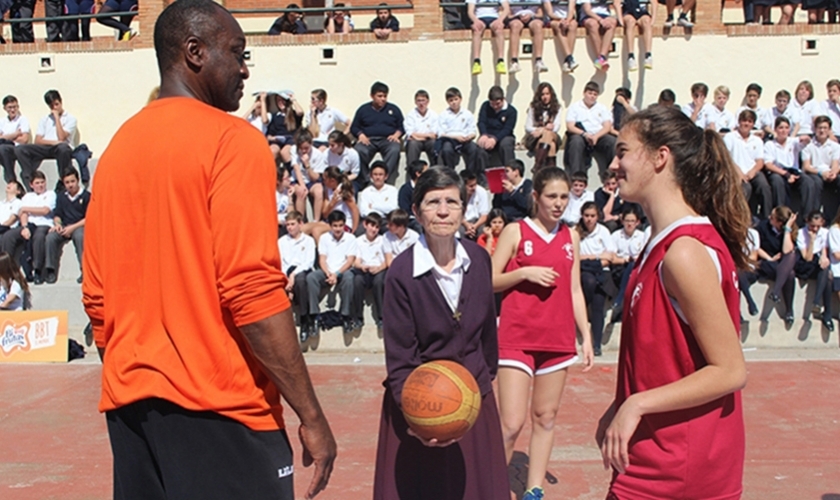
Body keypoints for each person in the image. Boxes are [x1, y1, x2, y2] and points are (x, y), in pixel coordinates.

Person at [81, 2, 336, 498]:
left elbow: (97, 300)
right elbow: (252, 291)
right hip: (223, 408)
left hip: (132, 412)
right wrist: (312, 415)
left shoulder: (116, 150)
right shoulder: (233, 141)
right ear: (194, 52)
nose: (245, 69)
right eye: (238, 53)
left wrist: (137, 367)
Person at [598, 105, 747, 499]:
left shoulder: (684, 252)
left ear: (660, 157)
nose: (614, 164)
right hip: (657, 458)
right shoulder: (662, 244)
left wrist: (635, 405)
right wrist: (621, 404)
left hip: (679, 467)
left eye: (623, 151)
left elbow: (729, 370)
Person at [373, 167, 509, 500]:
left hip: (472, 398)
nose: (444, 211)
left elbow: (487, 340)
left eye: (452, 201)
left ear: (464, 209)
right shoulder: (402, 273)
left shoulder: (478, 259)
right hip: (420, 404)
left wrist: (476, 389)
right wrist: (419, 418)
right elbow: (401, 356)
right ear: (417, 212)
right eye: (433, 202)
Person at [492, 167, 594, 500]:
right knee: (510, 423)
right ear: (535, 196)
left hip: (557, 339)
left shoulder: (571, 237)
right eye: (552, 196)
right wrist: (524, 273)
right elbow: (489, 281)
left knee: (546, 417)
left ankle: (533, 490)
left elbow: (575, 289)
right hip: (517, 337)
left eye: (564, 197)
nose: (559, 203)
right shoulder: (514, 231)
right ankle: (491, 488)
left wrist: (586, 335)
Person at [15, 90, 78, 190]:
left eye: (56, 104)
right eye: (52, 106)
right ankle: (30, 180)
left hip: (61, 149)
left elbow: (62, 137)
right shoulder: (44, 119)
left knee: (63, 148)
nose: (55, 108)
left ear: (61, 102)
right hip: (47, 147)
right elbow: (38, 140)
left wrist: (57, 118)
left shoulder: (70, 119)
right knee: (20, 149)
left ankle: (62, 181)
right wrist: (54, 142)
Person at [576, 201, 616, 355]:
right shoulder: (577, 232)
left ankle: (597, 344)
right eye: (586, 215)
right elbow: (575, 257)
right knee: (588, 281)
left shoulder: (604, 231)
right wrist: (596, 257)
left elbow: (610, 257)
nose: (589, 219)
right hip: (585, 271)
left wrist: (591, 260)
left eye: (592, 216)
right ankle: (584, 303)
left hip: (601, 271)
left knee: (598, 304)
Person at [351, 81, 405, 186]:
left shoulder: (393, 109)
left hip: (387, 140)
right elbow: (354, 127)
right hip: (369, 140)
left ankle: (385, 178)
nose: (383, 98)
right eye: (380, 96)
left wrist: (396, 135)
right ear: (372, 96)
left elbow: (402, 126)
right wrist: (361, 135)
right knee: (358, 150)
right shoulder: (363, 110)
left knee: (394, 149)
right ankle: (366, 180)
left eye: (385, 96)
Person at [763, 116, 818, 218]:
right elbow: (768, 165)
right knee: (777, 181)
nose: (784, 130)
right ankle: (781, 216)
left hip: (794, 171)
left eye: (786, 127)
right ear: (775, 129)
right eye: (781, 128)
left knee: (809, 182)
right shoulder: (770, 144)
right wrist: (786, 174)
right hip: (778, 172)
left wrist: (806, 138)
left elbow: (805, 141)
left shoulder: (793, 141)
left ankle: (808, 216)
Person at [724, 109, 772, 218]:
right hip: (735, 171)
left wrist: (753, 171)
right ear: (739, 122)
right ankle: (740, 218)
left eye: (750, 121)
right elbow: (726, 158)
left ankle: (766, 218)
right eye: (744, 121)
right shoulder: (730, 137)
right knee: (746, 188)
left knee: (764, 187)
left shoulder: (757, 140)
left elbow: (760, 161)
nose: (746, 124)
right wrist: (739, 172)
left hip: (752, 171)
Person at [756, 206, 798, 329]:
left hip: (785, 264)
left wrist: (787, 230)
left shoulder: (792, 231)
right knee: (789, 274)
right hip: (768, 261)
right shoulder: (763, 227)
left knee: (790, 267)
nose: (769, 218)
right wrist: (769, 258)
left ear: (779, 222)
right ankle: (788, 309)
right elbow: (756, 246)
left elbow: (786, 251)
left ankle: (777, 294)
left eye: (773, 217)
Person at [44, 168, 88, 284]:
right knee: (51, 237)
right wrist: (57, 224)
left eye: (72, 181)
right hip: (65, 226)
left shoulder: (86, 196)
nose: (70, 185)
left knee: (80, 236)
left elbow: (89, 218)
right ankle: (50, 270)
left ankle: (85, 270)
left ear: (78, 180)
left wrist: (72, 228)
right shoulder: (61, 196)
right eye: (67, 182)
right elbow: (57, 214)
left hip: (79, 226)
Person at [278, 211, 317, 342]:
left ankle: (304, 321)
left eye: (293, 224)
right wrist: (287, 277)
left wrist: (293, 275)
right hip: (287, 271)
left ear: (300, 224)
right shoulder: (281, 241)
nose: (290, 227)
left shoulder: (309, 241)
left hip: (302, 271)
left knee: (301, 281)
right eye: (288, 224)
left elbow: (309, 262)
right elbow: (281, 262)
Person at [565, 81, 616, 177]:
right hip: (582, 135)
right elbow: (570, 126)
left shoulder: (601, 108)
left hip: (598, 135)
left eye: (595, 94)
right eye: (590, 93)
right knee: (576, 142)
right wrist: (585, 134)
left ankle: (611, 175)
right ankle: (576, 176)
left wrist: (596, 136)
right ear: (584, 93)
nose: (592, 96)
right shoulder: (575, 107)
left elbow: (607, 126)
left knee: (612, 142)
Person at [794, 210, 833, 330]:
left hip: (818, 264)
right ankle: (827, 314)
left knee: (826, 273)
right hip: (805, 265)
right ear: (807, 222)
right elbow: (807, 257)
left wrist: (824, 257)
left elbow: (825, 250)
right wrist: (811, 240)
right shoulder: (801, 233)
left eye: (818, 226)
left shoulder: (826, 232)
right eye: (812, 226)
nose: (815, 229)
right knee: (826, 274)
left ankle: (818, 303)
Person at [351, 213, 387, 331]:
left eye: (377, 227)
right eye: (372, 226)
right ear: (365, 225)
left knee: (379, 282)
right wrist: (362, 267)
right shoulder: (358, 241)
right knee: (357, 281)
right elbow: (356, 262)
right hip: (364, 270)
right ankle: (358, 317)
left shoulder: (383, 240)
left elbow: (387, 261)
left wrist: (379, 268)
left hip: (379, 269)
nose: (374, 230)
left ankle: (381, 317)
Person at [475, 86, 518, 182]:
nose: (495, 107)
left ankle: (510, 176)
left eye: (498, 104)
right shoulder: (485, 106)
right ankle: (483, 179)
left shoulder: (511, 111)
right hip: (488, 135)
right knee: (480, 149)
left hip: (504, 136)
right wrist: (484, 134)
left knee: (506, 145)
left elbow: (507, 129)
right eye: (492, 104)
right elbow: (481, 122)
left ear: (503, 99)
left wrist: (495, 139)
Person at [802, 116, 840, 220]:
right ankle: (813, 217)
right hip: (814, 173)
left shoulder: (835, 146)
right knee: (816, 183)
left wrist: (833, 173)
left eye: (825, 128)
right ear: (815, 129)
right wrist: (820, 173)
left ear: (829, 130)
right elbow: (806, 166)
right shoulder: (808, 146)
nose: (822, 130)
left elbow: (835, 164)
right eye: (819, 128)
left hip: (829, 173)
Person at [437, 87, 477, 171]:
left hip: (465, 139)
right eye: (451, 100)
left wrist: (470, 136)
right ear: (447, 102)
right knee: (446, 149)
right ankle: (451, 173)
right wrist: (455, 137)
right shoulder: (444, 115)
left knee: (473, 148)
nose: (454, 102)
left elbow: (473, 130)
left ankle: (470, 173)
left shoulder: (467, 114)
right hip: (450, 140)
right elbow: (441, 132)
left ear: (460, 99)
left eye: (456, 99)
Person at [290, 130, 327, 219]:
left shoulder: (317, 154)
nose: (303, 150)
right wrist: (302, 186)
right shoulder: (293, 149)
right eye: (301, 148)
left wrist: (307, 165)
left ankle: (316, 220)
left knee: (319, 191)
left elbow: (316, 177)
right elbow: (296, 168)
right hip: (298, 179)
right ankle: (300, 221)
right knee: (300, 192)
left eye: (306, 148)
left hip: (311, 180)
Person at [524, 83, 563, 170]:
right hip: (536, 139)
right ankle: (552, 172)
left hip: (553, 135)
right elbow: (528, 127)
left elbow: (556, 127)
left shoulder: (557, 107)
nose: (545, 97)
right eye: (542, 94)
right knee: (551, 145)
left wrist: (543, 130)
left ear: (551, 95)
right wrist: (541, 130)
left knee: (549, 133)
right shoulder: (533, 107)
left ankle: (538, 165)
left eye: (547, 94)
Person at [467, 0, 509, 75]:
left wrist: (500, 20)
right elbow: (470, 11)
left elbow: (506, 8)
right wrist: (475, 21)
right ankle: (476, 61)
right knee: (477, 30)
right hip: (479, 17)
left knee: (499, 30)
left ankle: (500, 60)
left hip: (494, 17)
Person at [506, 0, 547, 73]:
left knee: (538, 25)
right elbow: (507, 13)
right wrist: (518, 16)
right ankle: (514, 61)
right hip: (516, 17)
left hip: (533, 17)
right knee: (515, 26)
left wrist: (531, 15)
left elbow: (541, 13)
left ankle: (539, 60)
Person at [266, 91, 304, 166]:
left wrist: (293, 100)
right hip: (278, 139)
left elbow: (300, 112)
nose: (280, 102)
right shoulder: (276, 116)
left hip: (291, 139)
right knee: (272, 151)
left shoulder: (293, 115)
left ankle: (291, 172)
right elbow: (270, 134)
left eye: (282, 100)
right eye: (278, 100)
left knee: (285, 152)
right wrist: (272, 138)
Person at [578, 0, 618, 71]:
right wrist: (600, 20)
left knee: (612, 22)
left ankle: (601, 57)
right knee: (593, 24)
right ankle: (600, 58)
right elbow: (587, 10)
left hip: (604, 14)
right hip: (588, 16)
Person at [0, 95, 31, 183]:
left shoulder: (22, 120)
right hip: (3, 148)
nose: (13, 110)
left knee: (3, 148)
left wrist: (4, 137)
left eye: (15, 107)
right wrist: (15, 134)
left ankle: (11, 178)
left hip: (15, 149)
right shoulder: (2, 122)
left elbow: (24, 139)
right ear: (5, 108)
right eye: (10, 107)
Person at [404, 90, 439, 166]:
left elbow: (434, 135)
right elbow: (410, 134)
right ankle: (412, 173)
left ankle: (435, 171)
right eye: (419, 100)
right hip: (416, 142)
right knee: (412, 144)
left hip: (429, 141)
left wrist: (418, 136)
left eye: (423, 100)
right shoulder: (411, 115)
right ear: (415, 102)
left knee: (434, 143)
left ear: (428, 101)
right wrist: (427, 136)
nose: (421, 103)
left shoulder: (433, 115)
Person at [543, 0, 579, 72]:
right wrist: (560, 19)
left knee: (574, 24)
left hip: (567, 19)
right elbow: (550, 13)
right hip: (554, 19)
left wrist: (567, 21)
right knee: (558, 26)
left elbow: (571, 10)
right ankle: (569, 58)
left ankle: (567, 60)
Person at [621, 0, 655, 71]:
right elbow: (616, 3)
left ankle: (648, 55)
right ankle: (631, 56)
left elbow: (654, 2)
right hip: (628, 12)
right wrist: (620, 20)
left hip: (642, 12)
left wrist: (653, 19)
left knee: (646, 22)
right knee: (630, 22)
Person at [461, 169, 490, 240]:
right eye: (471, 186)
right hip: (461, 221)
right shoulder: (456, 193)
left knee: (483, 230)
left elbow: (484, 216)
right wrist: (466, 225)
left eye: (475, 184)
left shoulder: (481, 191)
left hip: (477, 221)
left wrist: (474, 227)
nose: (474, 188)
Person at [792, 80, 819, 145]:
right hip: (794, 135)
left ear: (810, 94)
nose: (803, 91)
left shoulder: (813, 103)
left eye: (807, 90)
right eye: (801, 89)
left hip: (809, 134)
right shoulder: (790, 104)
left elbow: (816, 119)